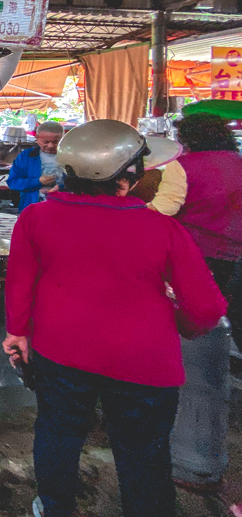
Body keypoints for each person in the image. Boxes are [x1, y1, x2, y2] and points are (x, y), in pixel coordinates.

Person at [2, 120, 226, 517]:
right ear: (127, 178)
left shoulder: (36, 218)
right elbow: (206, 308)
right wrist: (180, 327)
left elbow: (20, 284)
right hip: (145, 363)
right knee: (144, 451)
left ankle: (55, 507)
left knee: (58, 433)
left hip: (60, 352)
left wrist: (17, 332)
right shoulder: (163, 228)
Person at [149, 112, 242, 489]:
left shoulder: (182, 167)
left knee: (194, 350)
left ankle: (192, 460)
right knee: (218, 341)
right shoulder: (238, 163)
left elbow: (161, 211)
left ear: (187, 139)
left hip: (195, 263)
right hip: (234, 264)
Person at [6, 121, 64, 211]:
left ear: (63, 139)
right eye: (46, 142)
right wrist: (37, 181)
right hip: (31, 207)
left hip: (62, 207)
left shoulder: (70, 157)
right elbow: (13, 182)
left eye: (55, 142)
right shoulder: (26, 156)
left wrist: (61, 187)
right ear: (37, 138)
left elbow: (80, 183)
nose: (50, 146)